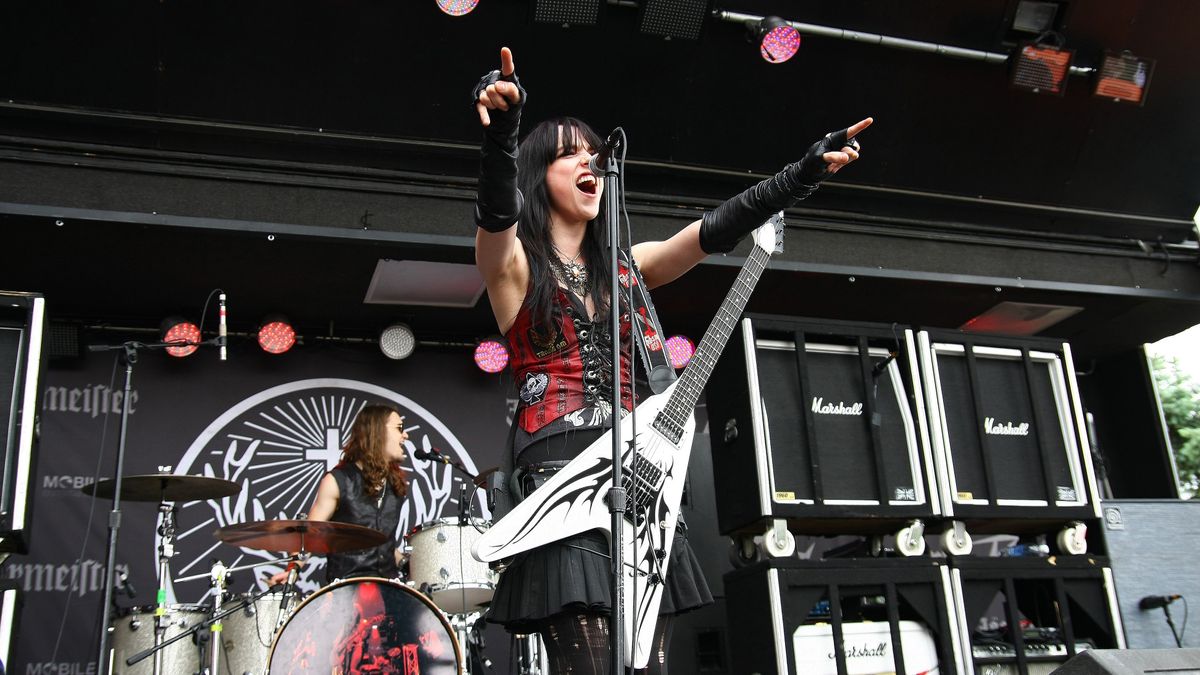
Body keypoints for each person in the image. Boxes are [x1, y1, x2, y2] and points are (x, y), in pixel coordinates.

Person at [471, 47, 870, 675]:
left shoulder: (630, 268)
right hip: (562, 483)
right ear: (537, 174)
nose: (591, 163)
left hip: (641, 482)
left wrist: (800, 175)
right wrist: (502, 138)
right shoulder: (518, 267)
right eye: (572, 153)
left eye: (597, 154)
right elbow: (494, 219)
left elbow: (714, 230)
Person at [269, 404, 410, 585]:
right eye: (399, 429)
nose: (405, 435)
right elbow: (310, 536)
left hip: (388, 590)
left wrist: (411, 565)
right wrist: (292, 569)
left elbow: (383, 546)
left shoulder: (394, 485)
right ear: (377, 432)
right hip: (346, 590)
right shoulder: (338, 481)